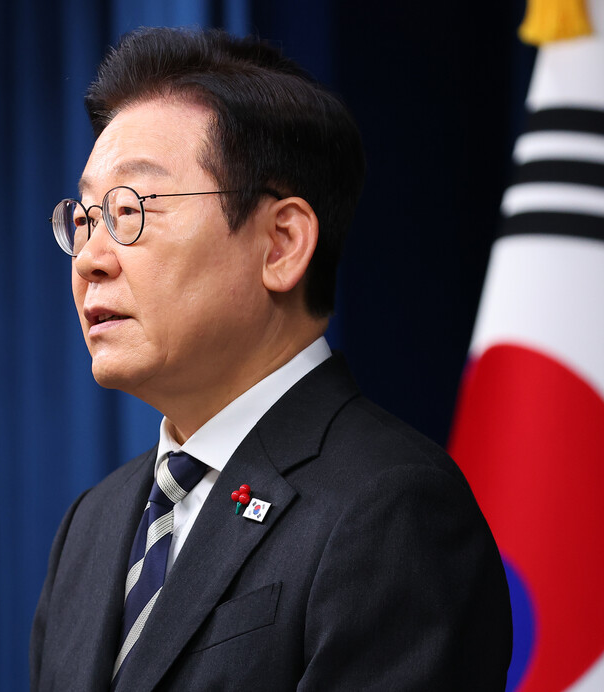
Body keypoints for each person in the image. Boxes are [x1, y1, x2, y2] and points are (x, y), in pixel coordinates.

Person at [31, 27, 512, 690]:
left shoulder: (392, 508)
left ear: (281, 244)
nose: (89, 259)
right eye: (85, 218)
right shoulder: (93, 523)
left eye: (129, 211)